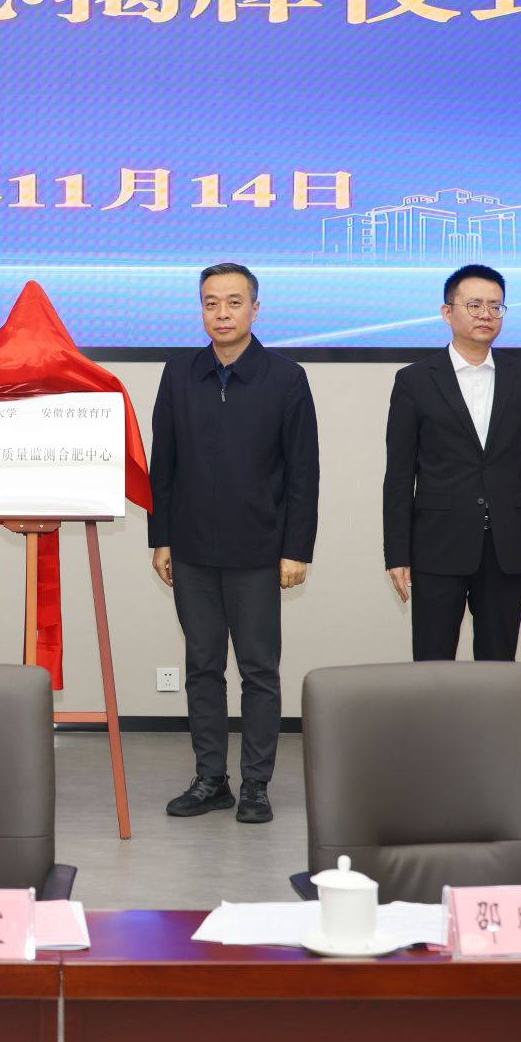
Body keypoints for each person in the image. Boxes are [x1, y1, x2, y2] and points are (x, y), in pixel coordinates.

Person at [148, 263, 319, 824]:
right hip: (191, 549)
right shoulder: (179, 373)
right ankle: (210, 780)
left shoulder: (285, 378)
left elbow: (303, 473)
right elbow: (163, 464)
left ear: (255, 309)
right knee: (202, 666)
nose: (222, 313)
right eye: (211, 303)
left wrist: (296, 549)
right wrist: (161, 537)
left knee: (258, 670)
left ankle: (256, 785)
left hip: (259, 550)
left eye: (233, 302)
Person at [383, 264, 521, 661]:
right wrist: (397, 553)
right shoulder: (414, 380)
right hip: (436, 545)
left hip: (506, 546)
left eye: (495, 306)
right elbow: (399, 476)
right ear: (448, 312)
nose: (486, 315)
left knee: (499, 666)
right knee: (433, 664)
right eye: (474, 305)